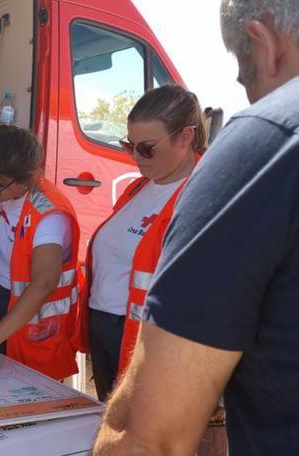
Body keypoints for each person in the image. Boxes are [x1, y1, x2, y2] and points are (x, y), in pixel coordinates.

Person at [84, 1, 299, 456]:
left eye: (244, 76)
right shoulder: (133, 192)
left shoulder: (268, 145)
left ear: (266, 43)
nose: (253, 96)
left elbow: (145, 446)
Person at [77, 85, 206, 401]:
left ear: (186, 137)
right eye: (129, 145)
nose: (134, 156)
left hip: (147, 342)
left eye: (146, 148)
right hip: (108, 329)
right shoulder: (138, 188)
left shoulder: (202, 197)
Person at [0, 126, 81, 381]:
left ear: (27, 178)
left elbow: (43, 284)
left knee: (34, 396)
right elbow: (0, 222)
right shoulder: (9, 190)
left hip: (39, 325)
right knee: (4, 384)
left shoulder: (50, 218)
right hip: (7, 297)